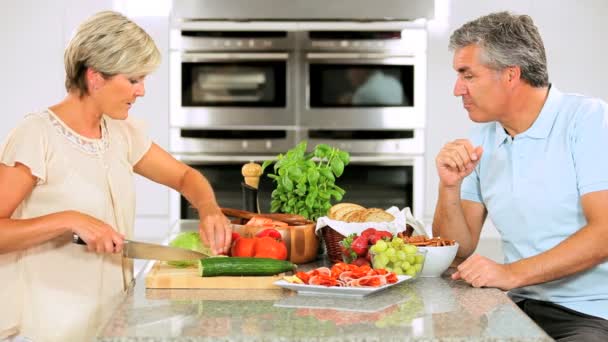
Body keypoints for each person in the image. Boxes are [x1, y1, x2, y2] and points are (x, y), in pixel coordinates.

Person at [0, 11, 232, 342]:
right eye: (134, 79)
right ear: (95, 77)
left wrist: (209, 209)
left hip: (111, 319)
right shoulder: (36, 135)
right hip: (51, 325)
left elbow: (185, 178)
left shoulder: (121, 132)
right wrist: (68, 219)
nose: (141, 92)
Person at [433, 11, 608, 341]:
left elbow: (605, 233)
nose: (458, 90)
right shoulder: (484, 136)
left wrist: (511, 273)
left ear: (511, 74)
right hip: (515, 305)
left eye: (467, 75)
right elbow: (457, 250)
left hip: (590, 314)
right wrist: (449, 187)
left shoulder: (587, 120)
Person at [340, 69, 406, 106]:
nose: (348, 76)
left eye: (350, 70)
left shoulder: (362, 93)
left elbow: (353, 124)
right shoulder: (394, 81)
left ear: (361, 70)